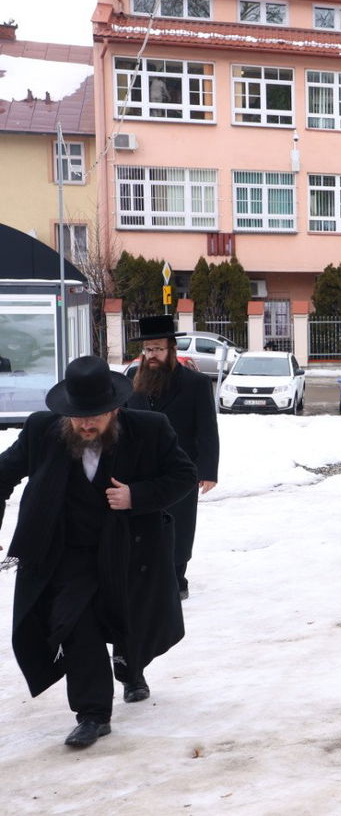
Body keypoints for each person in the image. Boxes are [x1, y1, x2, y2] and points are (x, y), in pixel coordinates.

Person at [0, 356, 195, 748]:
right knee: (75, 622)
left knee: (127, 622)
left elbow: (183, 476)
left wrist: (136, 495)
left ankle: (130, 669)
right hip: (67, 554)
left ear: (115, 409)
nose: (86, 424)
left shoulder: (150, 430)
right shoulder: (43, 431)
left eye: (95, 416)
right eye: (78, 416)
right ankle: (92, 714)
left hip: (126, 550)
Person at [124, 314, 218, 601]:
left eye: (158, 349)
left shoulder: (196, 384)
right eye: (147, 350)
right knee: (141, 522)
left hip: (181, 468)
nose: (151, 355)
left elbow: (207, 430)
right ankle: (145, 573)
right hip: (140, 468)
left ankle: (177, 577)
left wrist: (208, 470)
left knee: (179, 523)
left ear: (171, 350)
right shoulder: (131, 379)